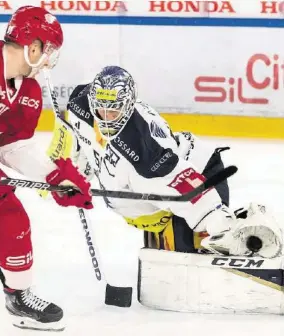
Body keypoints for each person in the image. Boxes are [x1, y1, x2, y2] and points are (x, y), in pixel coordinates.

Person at [55, 65, 283, 261]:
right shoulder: (79, 104)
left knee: (205, 246)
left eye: (113, 111)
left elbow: (181, 180)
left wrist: (219, 224)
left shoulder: (142, 145)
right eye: (100, 109)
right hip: (154, 201)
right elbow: (77, 139)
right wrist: (71, 175)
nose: (105, 117)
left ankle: (241, 227)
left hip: (202, 170)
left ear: (128, 105)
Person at [0, 6, 93, 332]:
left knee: (11, 220)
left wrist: (54, 176)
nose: (50, 58)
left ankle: (18, 296)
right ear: (32, 45)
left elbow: (13, 145)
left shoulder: (28, 89)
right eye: (49, 49)